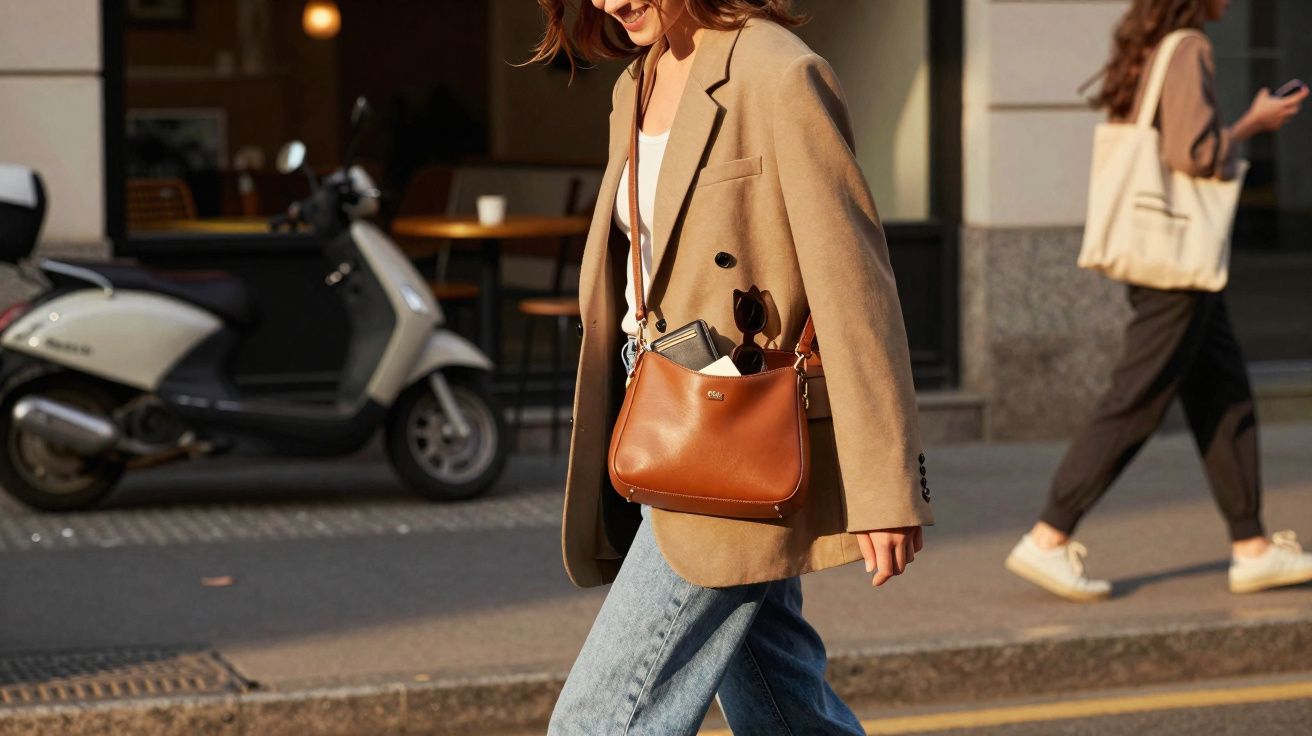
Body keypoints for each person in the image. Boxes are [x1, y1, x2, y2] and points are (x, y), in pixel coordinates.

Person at [530, 0, 934, 732]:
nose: (610, 1)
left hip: (733, 423)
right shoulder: (637, 81)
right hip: (655, 409)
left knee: (600, 718)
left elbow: (854, 284)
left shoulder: (777, 72)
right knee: (780, 704)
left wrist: (887, 484)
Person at [1005, 0, 1312, 603]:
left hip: (1169, 261)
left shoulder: (1149, 46)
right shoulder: (1189, 46)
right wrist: (1254, 122)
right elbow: (1190, 154)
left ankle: (1251, 548)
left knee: (1222, 390)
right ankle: (1048, 535)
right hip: (1177, 265)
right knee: (1137, 399)